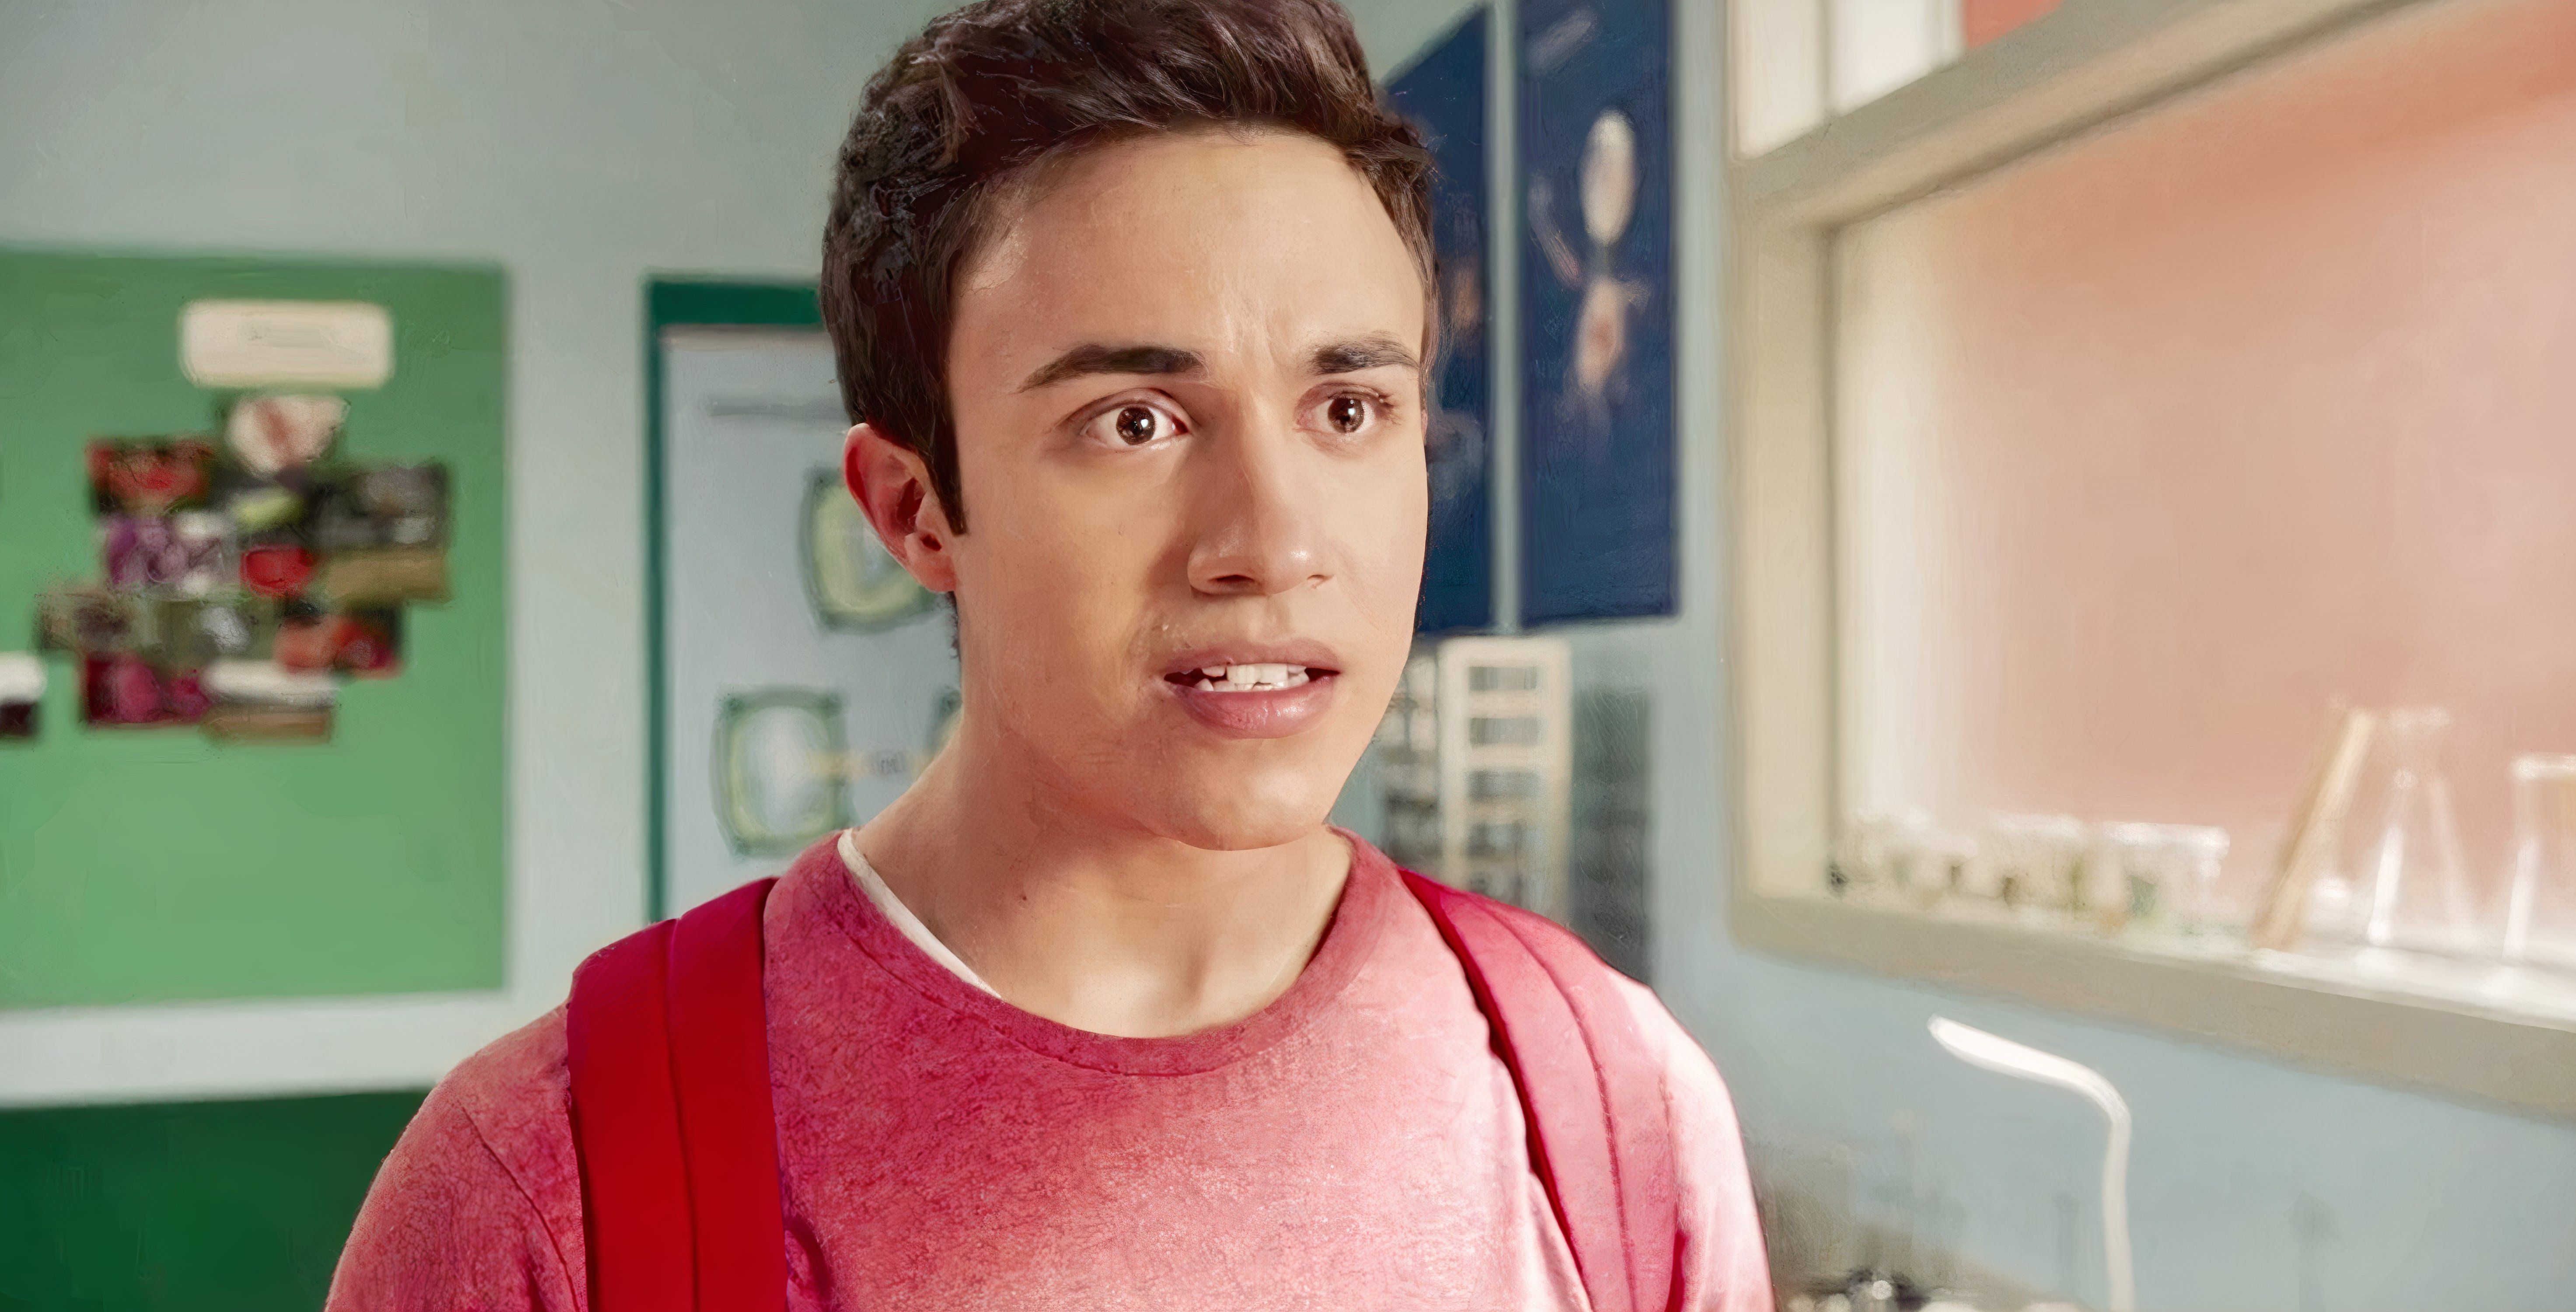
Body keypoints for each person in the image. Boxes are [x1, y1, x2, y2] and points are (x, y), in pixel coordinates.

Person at [328, 0, 1770, 1306]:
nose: (1271, 543)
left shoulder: (1617, 1107)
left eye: (1347, 410)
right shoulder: (541, 1196)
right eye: (1135, 421)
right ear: (916, 511)